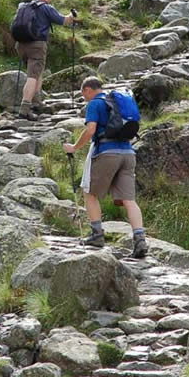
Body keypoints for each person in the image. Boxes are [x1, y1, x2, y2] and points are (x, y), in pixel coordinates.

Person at [63, 76, 148, 259]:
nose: (83, 97)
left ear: (87, 89)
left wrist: (74, 147)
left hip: (107, 153)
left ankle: (97, 235)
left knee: (89, 193)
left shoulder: (94, 103)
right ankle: (140, 239)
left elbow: (91, 130)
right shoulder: (116, 102)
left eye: (82, 93)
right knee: (129, 200)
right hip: (128, 153)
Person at [15, 0, 75, 121]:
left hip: (20, 45)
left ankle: (36, 102)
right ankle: (24, 110)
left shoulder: (23, 7)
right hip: (37, 45)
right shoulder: (45, 7)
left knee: (37, 72)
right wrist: (71, 16)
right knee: (32, 76)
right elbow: (63, 21)